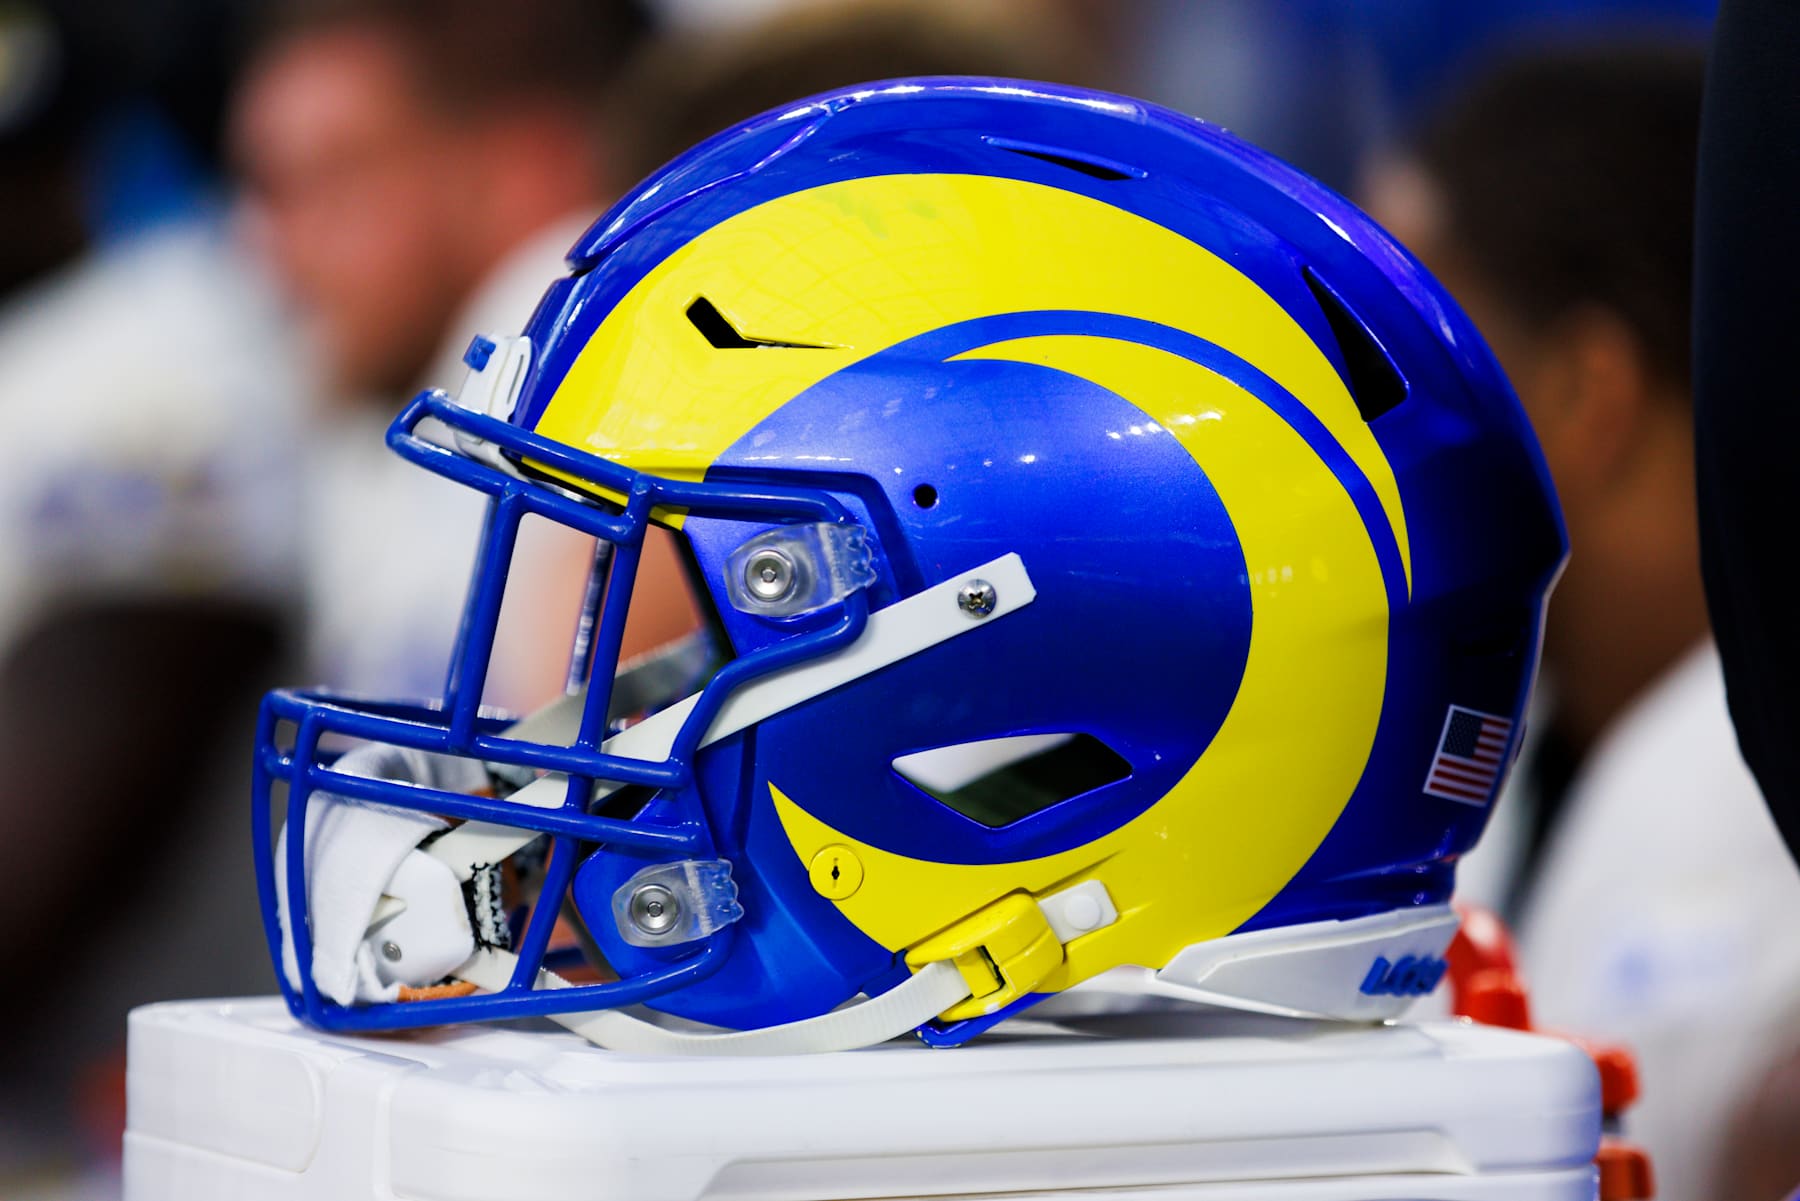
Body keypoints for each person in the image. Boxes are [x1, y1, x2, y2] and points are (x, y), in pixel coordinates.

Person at [1364, 42, 1800, 1201]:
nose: (1343, 446)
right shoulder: (1505, 728)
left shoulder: (1752, 803)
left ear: (1582, 391)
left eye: (1385, 378)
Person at [229, 0, 678, 713]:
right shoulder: (393, 402)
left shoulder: (562, 316)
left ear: (526, 165)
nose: (274, 253)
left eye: (334, 179)